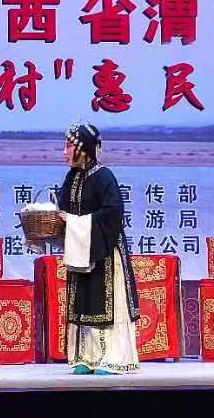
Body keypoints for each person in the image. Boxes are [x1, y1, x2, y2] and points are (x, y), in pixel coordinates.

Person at [58, 121, 140, 375]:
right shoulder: (72, 177)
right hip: (80, 250)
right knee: (83, 302)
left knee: (108, 304)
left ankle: (113, 358)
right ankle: (87, 356)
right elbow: (63, 209)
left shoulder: (104, 176)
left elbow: (112, 214)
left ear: (83, 148)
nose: (64, 151)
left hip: (105, 251)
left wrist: (75, 222)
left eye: (68, 145)